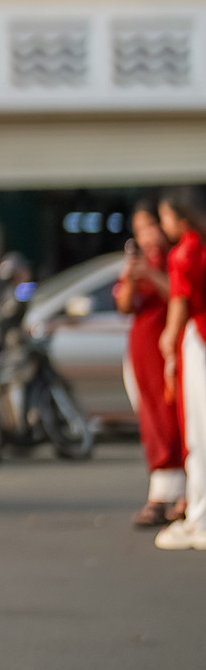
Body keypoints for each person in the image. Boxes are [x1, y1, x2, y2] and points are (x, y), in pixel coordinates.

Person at [114, 201, 184, 530]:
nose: (147, 236)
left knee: (173, 420)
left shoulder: (177, 258)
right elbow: (124, 306)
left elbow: (181, 296)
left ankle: (177, 493)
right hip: (142, 348)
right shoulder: (138, 263)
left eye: (151, 227)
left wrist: (152, 276)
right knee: (152, 420)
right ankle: (163, 492)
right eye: (139, 230)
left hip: (168, 346)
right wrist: (131, 277)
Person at [154, 188, 206, 553]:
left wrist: (169, 340)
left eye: (165, 217)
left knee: (199, 435)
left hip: (199, 341)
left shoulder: (185, 252)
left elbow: (179, 301)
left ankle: (200, 519)